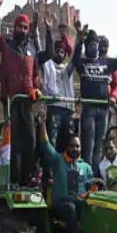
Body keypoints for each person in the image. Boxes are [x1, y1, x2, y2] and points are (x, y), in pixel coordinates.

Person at [0, 0, 46, 186]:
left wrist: (37, 88)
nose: (22, 30)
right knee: (15, 142)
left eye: (25, 27)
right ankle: (14, 179)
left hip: (27, 100)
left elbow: (38, 70)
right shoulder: (8, 45)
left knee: (30, 139)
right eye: (19, 26)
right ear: (14, 28)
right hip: (12, 99)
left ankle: (27, 178)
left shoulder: (31, 50)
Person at [72, 22, 117, 171]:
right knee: (88, 144)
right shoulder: (82, 62)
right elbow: (74, 59)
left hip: (103, 109)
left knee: (99, 144)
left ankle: (96, 176)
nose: (94, 47)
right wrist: (79, 40)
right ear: (86, 46)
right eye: (90, 44)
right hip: (89, 107)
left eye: (95, 44)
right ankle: (86, 174)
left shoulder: (106, 62)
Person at [36, 112, 93, 233]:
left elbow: (92, 187)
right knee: (70, 208)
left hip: (80, 203)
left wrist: (90, 193)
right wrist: (42, 123)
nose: (76, 149)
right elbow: (45, 144)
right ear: (67, 147)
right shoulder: (58, 160)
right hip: (60, 205)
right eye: (73, 146)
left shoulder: (85, 167)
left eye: (78, 146)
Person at [42, 22, 75, 154]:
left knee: (66, 144)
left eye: (62, 51)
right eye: (57, 51)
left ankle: (65, 173)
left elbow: (74, 57)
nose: (60, 54)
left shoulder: (67, 70)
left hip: (68, 110)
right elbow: (42, 49)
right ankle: (49, 173)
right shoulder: (47, 65)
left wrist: (69, 37)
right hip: (54, 108)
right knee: (52, 143)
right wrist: (48, 31)